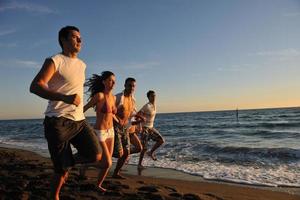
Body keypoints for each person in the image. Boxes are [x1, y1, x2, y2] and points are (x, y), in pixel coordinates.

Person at [29, 26, 102, 200]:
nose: (80, 41)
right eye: (75, 37)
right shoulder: (55, 60)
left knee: (95, 154)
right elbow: (35, 86)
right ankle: (54, 195)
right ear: (63, 40)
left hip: (79, 120)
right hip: (57, 121)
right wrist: (65, 98)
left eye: (80, 38)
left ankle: (66, 163)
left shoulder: (82, 64)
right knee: (61, 172)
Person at [81, 71, 117, 192]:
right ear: (104, 81)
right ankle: (86, 164)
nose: (113, 83)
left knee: (107, 162)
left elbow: (111, 114)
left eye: (114, 81)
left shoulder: (114, 97)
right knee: (107, 163)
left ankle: (98, 184)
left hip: (111, 132)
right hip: (100, 132)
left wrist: (121, 121)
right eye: (110, 80)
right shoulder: (99, 96)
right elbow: (84, 109)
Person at [112, 77, 143, 179]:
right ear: (124, 85)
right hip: (117, 129)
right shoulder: (117, 97)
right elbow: (109, 111)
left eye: (133, 86)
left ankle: (117, 169)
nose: (131, 87)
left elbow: (131, 113)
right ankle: (114, 169)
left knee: (134, 150)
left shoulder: (133, 99)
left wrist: (138, 121)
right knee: (119, 153)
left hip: (128, 129)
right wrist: (118, 120)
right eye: (129, 85)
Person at [138, 90, 165, 169]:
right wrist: (140, 123)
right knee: (144, 148)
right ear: (148, 97)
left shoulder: (154, 105)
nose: (154, 97)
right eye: (152, 96)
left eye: (154, 96)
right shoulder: (147, 106)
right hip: (145, 129)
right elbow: (137, 114)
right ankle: (139, 164)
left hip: (151, 128)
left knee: (161, 140)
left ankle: (150, 153)